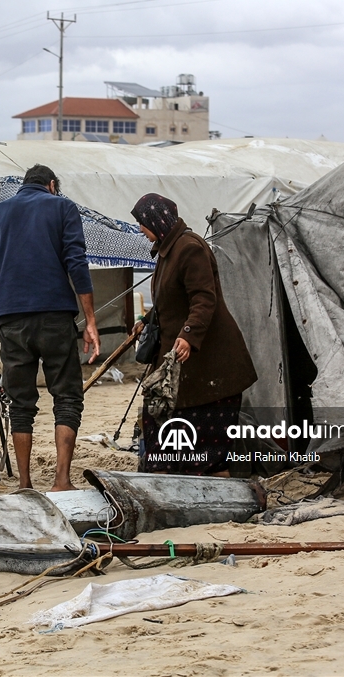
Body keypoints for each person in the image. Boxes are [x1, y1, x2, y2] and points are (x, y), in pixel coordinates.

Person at [0, 164, 100, 492]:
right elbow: (77, 262)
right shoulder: (63, 207)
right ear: (52, 185)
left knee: (21, 403)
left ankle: (26, 483)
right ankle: (61, 480)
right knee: (67, 397)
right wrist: (91, 321)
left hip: (12, 319)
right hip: (56, 317)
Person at [131, 193, 257, 477]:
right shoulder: (168, 249)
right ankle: (165, 478)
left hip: (209, 362)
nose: (140, 229)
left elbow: (203, 298)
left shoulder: (189, 248)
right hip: (180, 362)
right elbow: (171, 299)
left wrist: (188, 334)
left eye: (142, 222)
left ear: (157, 220)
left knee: (207, 438)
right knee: (158, 418)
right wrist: (147, 320)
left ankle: (215, 485)